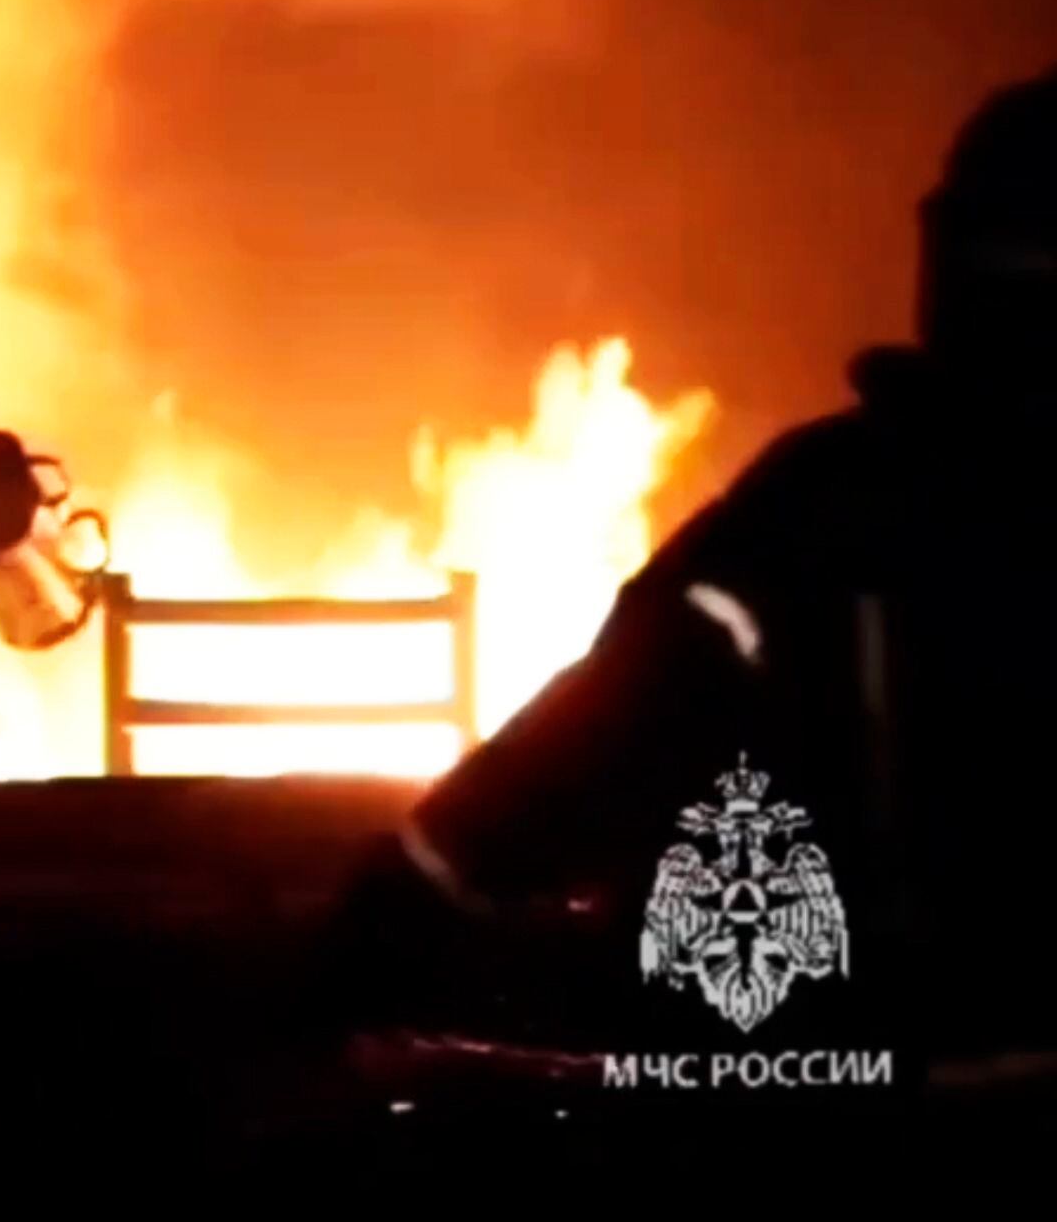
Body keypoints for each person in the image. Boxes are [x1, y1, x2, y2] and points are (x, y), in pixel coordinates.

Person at [337, 67, 1056, 1080]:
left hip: (840, 1095)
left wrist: (402, 906)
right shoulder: (823, 511)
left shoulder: (823, 506)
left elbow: (602, 730)